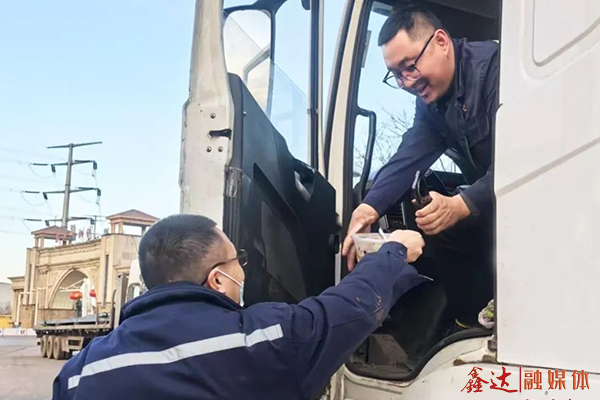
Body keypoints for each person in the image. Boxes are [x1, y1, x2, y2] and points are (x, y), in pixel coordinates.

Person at [53, 214, 428, 400]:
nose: (243, 271)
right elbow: (347, 308)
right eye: (238, 260)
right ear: (217, 279)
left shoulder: (79, 373)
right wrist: (394, 250)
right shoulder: (259, 340)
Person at [342, 6, 498, 328]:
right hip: (499, 198)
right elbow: (410, 154)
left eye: (409, 67)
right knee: (438, 227)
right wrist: (368, 207)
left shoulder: (497, 71)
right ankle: (468, 323)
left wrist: (462, 204)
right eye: (396, 75)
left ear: (441, 42)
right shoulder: (432, 106)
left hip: (538, 196)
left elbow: (525, 156)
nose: (405, 82)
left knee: (458, 219)